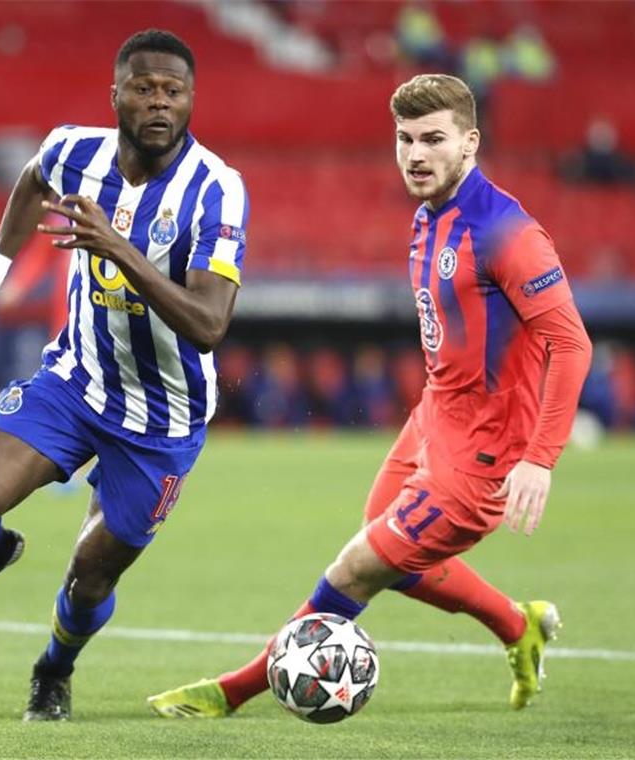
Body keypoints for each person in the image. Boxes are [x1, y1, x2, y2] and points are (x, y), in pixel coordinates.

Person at [148, 73, 591, 718]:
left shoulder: (508, 234)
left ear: (470, 143)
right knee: (387, 550)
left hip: (484, 456)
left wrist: (540, 457)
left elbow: (571, 343)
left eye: (433, 139)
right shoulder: (425, 218)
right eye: (405, 139)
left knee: (358, 567)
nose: (416, 154)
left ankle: (234, 690)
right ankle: (515, 625)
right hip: (435, 418)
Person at [0, 29, 249, 722]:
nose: (159, 103)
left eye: (174, 92)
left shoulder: (216, 191)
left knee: (90, 575)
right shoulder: (74, 150)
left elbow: (209, 325)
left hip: (163, 417)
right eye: (144, 88)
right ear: (116, 94)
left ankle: (53, 669)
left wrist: (117, 247)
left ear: (192, 101)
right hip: (77, 379)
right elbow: (34, 178)